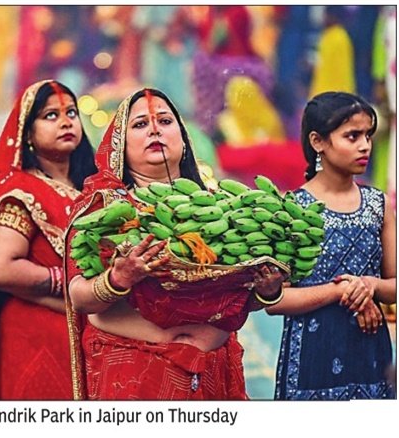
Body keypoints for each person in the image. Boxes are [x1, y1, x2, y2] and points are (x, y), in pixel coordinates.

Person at [66, 88, 284, 400]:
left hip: (212, 375)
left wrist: (267, 290)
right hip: (135, 376)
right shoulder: (103, 211)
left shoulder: (224, 209)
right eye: (140, 124)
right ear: (119, 146)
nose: (155, 129)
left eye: (165, 121)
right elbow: (80, 298)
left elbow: (238, 298)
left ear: (183, 138)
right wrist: (119, 278)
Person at [0, 80, 97, 399]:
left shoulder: (92, 186)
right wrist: (63, 281)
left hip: (91, 330)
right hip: (36, 337)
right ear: (27, 133)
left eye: (71, 112)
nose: (66, 121)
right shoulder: (21, 194)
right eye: (50, 116)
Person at [270, 92, 396, 399]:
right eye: (352, 136)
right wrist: (344, 292)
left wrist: (368, 284)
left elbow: (394, 285)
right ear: (318, 142)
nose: (365, 145)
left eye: (367, 135)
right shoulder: (292, 209)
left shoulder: (379, 205)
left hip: (370, 352)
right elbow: (274, 301)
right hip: (312, 358)